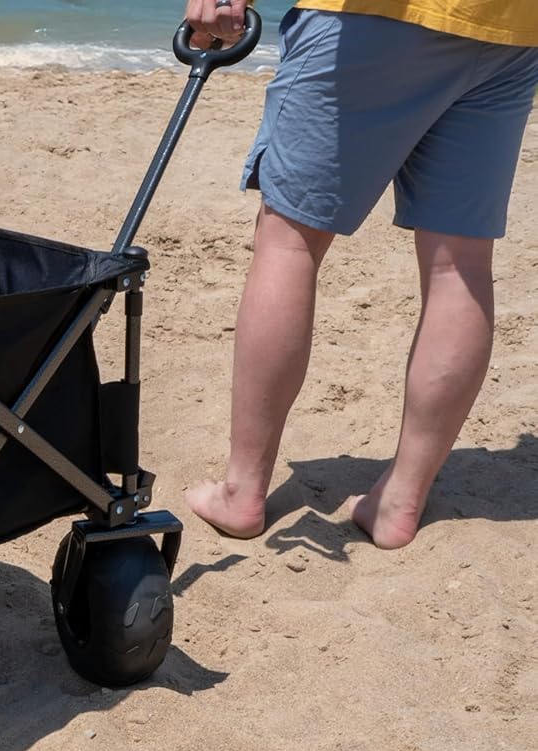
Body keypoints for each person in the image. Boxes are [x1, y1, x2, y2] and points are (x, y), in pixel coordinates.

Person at [180, 0, 538, 548]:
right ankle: (400, 502)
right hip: (510, 31)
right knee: (459, 265)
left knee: (289, 243)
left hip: (373, 17)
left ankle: (242, 491)